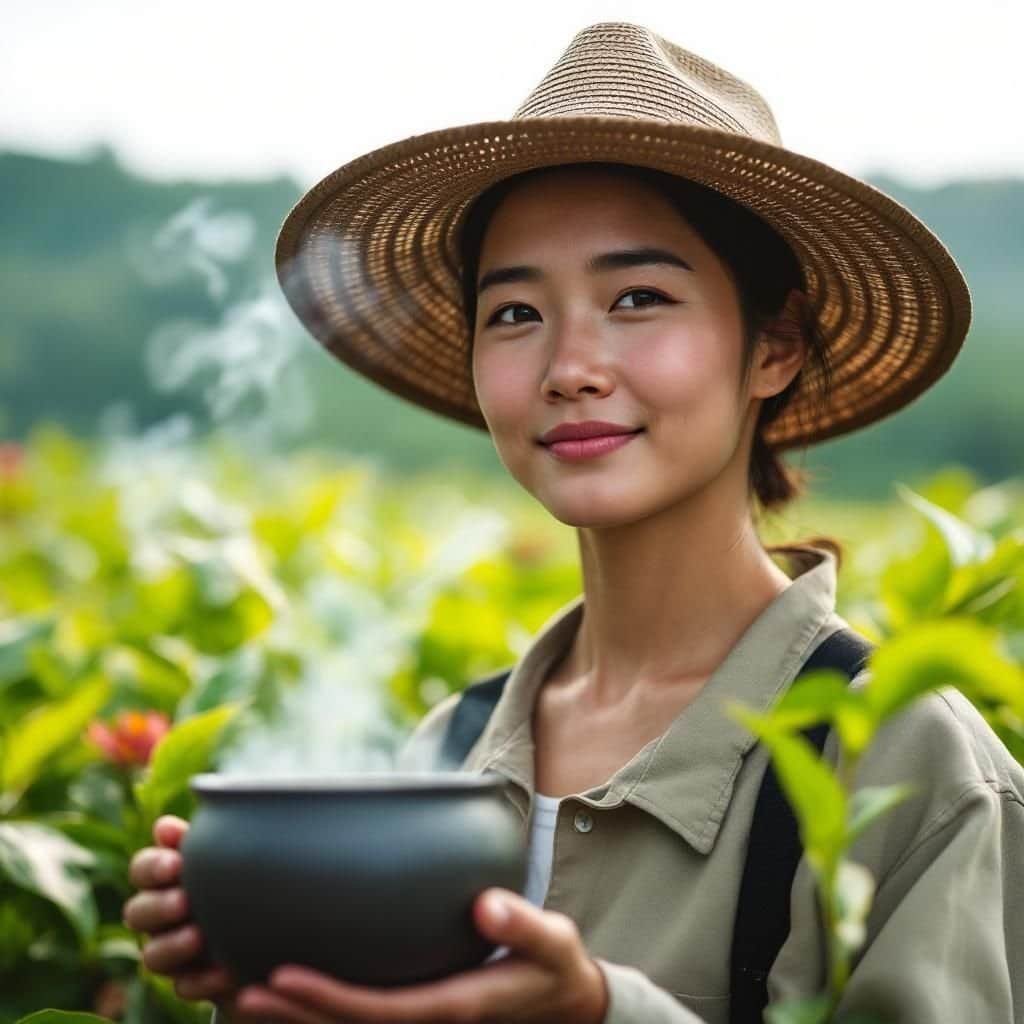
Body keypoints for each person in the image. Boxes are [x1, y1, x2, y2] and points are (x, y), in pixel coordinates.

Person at [122, 21, 1023, 1024]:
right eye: (515, 313)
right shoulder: (450, 747)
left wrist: (598, 1011)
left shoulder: (908, 763)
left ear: (774, 346)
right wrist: (268, 962)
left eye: (638, 296)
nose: (569, 367)